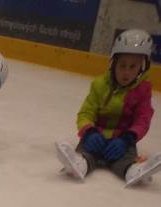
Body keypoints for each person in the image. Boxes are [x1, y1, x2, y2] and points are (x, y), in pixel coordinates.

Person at [55, 29, 160, 187]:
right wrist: (89, 132)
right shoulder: (100, 85)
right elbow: (86, 112)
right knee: (87, 152)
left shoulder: (143, 91)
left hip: (122, 139)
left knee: (124, 158)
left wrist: (128, 138)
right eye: (122, 65)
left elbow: (143, 120)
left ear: (142, 68)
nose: (126, 72)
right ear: (113, 63)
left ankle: (132, 170)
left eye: (133, 67)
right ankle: (80, 163)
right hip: (96, 134)